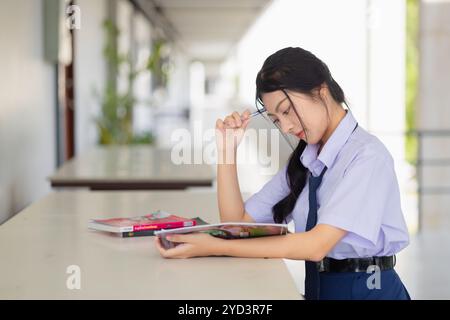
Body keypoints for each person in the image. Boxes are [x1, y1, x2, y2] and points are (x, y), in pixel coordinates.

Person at [155, 47, 411, 300]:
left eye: (287, 110)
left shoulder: (366, 157)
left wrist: (216, 247)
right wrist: (227, 150)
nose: (286, 127)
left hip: (369, 289)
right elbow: (238, 223)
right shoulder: (306, 160)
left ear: (320, 90)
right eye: (276, 120)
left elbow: (315, 246)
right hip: (323, 289)